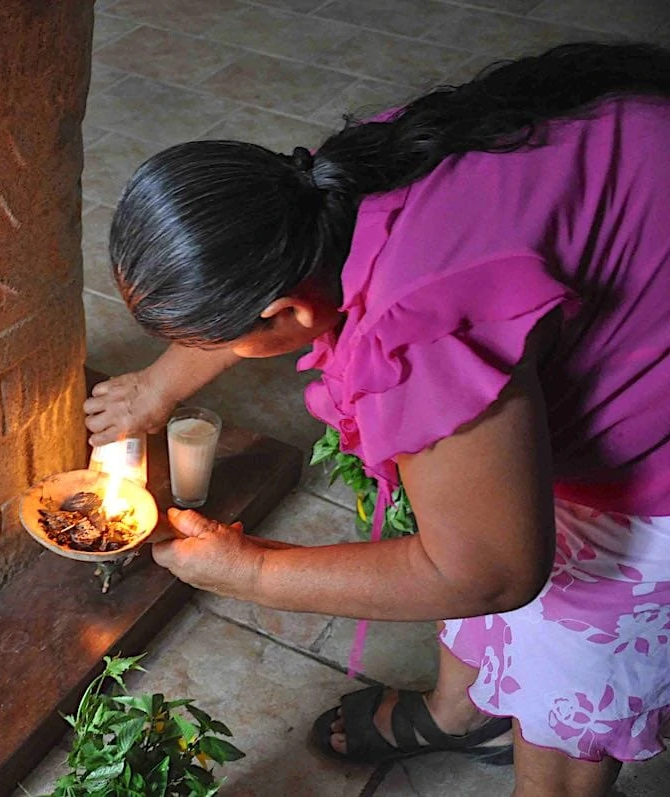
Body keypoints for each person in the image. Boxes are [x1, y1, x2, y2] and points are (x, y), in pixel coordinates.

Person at [84, 42, 670, 797]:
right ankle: (464, 711)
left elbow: (491, 572)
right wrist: (157, 385)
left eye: (210, 341)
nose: (197, 355)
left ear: (287, 313)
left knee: (566, 651)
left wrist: (252, 568)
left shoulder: (419, 334)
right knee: (473, 510)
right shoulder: (331, 179)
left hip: (653, 438)